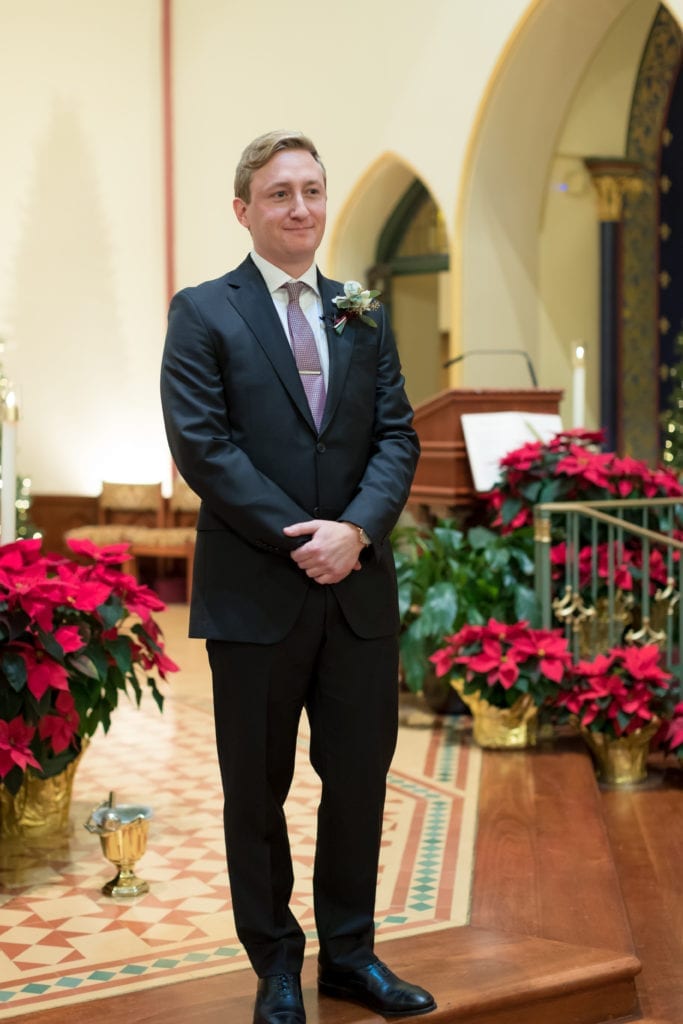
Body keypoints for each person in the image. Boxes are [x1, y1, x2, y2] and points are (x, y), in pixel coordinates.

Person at [160, 129, 435, 1023]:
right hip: (256, 598)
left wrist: (354, 532)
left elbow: (397, 435)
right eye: (279, 193)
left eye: (312, 190)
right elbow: (204, 447)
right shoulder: (204, 312)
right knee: (257, 790)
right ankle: (275, 963)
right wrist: (302, 539)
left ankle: (351, 956)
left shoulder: (362, 309)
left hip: (356, 595)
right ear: (243, 209)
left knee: (358, 780)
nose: (301, 208)